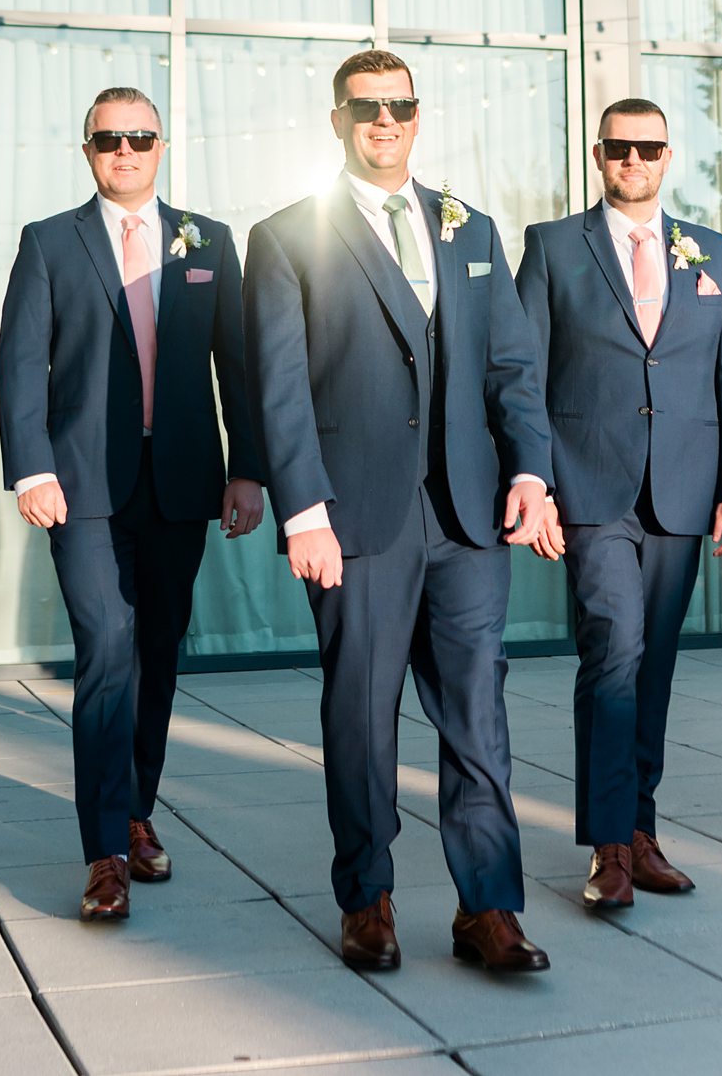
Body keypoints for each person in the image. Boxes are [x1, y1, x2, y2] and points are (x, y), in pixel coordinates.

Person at [243, 49, 559, 975]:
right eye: (367, 106)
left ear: (419, 117)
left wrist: (531, 472)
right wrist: (303, 510)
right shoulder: (287, 233)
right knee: (360, 712)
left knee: (477, 716)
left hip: (465, 517)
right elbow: (280, 386)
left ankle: (489, 906)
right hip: (355, 515)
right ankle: (367, 897)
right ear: (337, 118)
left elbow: (512, 366)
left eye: (401, 105)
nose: (386, 120)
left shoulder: (469, 226)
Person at [0, 86, 264, 921]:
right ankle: (105, 850)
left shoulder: (207, 240)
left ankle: (136, 808)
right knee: (106, 647)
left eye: (140, 136)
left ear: (161, 144)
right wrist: (30, 469)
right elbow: (18, 364)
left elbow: (240, 366)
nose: (125, 148)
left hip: (182, 481)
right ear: (88, 151)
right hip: (80, 487)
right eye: (109, 137)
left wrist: (248, 468)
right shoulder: (49, 242)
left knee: (156, 652)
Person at [515, 98, 722, 910]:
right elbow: (524, 375)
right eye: (619, 146)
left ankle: (641, 827)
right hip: (589, 487)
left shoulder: (713, 250)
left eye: (648, 147)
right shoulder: (552, 247)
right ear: (598, 153)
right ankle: (610, 845)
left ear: (667, 155)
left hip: (685, 488)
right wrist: (536, 484)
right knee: (613, 650)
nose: (634, 159)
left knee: (653, 661)